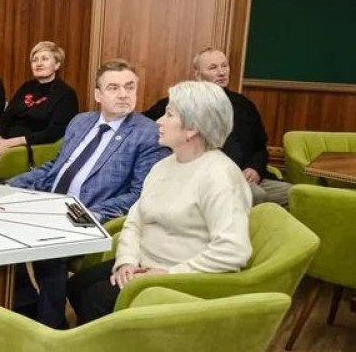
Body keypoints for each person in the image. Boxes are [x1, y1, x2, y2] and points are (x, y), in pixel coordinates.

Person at [68, 80, 253, 324]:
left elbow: (233, 250)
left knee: (96, 298)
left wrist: (166, 274)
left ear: (192, 128)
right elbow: (135, 221)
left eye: (169, 114)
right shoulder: (163, 165)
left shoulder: (220, 176)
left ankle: (107, 346)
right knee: (76, 284)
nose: (158, 121)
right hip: (144, 263)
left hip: (182, 278)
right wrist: (126, 261)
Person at [8, 59, 165, 328]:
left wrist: (91, 213)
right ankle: (27, 305)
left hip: (90, 214)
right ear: (98, 95)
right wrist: (12, 185)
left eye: (129, 87)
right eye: (113, 88)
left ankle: (52, 326)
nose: (123, 94)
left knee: (50, 247)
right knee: (2, 227)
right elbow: (55, 167)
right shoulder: (81, 122)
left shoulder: (147, 133)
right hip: (49, 204)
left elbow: (139, 194)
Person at [143, 47, 291, 206]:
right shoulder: (177, 103)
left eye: (224, 66)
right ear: (198, 75)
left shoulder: (243, 104)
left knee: (293, 194)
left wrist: (255, 168)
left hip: (247, 176)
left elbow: (260, 147)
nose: (221, 72)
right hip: (205, 178)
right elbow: (144, 125)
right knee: (255, 194)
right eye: (213, 68)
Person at [0, 40, 78, 165]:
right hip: (5, 141)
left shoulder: (66, 93)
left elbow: (54, 132)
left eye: (45, 59)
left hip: (31, 147)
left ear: (57, 65)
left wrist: (10, 143)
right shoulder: (27, 86)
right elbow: (6, 117)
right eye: (35, 60)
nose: (39, 63)